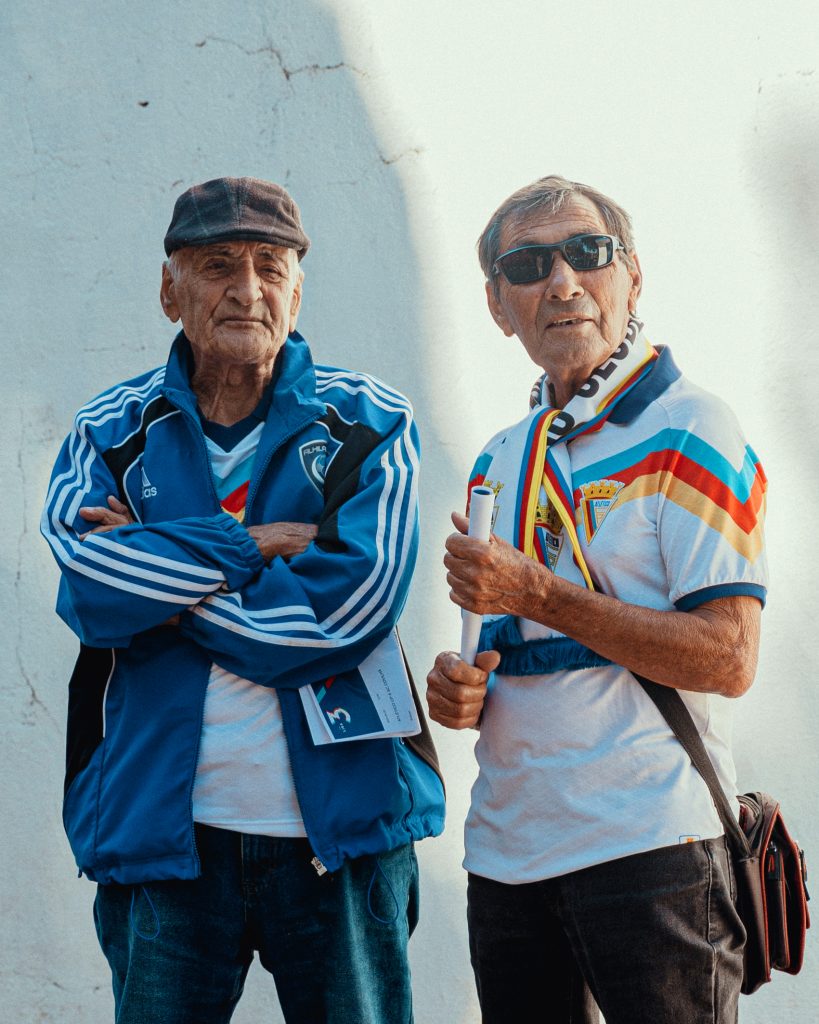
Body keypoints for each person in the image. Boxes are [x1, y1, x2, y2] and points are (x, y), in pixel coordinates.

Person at [41, 176, 445, 1024]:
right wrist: (248, 545)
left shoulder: (369, 420)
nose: (247, 288)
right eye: (218, 264)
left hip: (344, 835)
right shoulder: (107, 430)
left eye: (270, 265)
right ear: (170, 291)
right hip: (163, 836)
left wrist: (163, 576)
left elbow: (347, 612)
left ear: (297, 291)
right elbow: (91, 586)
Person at [426, 175, 767, 1024]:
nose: (561, 281)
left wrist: (538, 592)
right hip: (506, 856)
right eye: (527, 265)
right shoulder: (497, 458)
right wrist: (461, 689)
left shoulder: (691, 428)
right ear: (498, 305)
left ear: (632, 276)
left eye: (587, 252)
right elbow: (509, 653)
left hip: (651, 846)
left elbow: (728, 659)